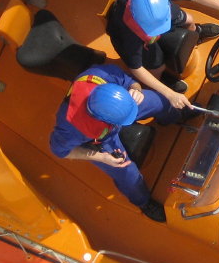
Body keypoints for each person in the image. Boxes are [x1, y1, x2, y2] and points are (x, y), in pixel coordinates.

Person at [49, 64, 181, 222]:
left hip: (126, 104)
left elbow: (129, 81)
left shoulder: (100, 75)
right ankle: (144, 202)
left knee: (158, 101)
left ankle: (180, 114)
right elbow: (60, 151)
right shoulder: (71, 129)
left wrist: (136, 90)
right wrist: (101, 157)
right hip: (102, 139)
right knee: (127, 173)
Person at [106, 0, 219, 110]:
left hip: (159, 17)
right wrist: (170, 94)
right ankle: (163, 78)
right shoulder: (127, 33)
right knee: (157, 66)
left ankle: (197, 34)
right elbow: (136, 68)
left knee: (189, 19)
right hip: (140, 38)